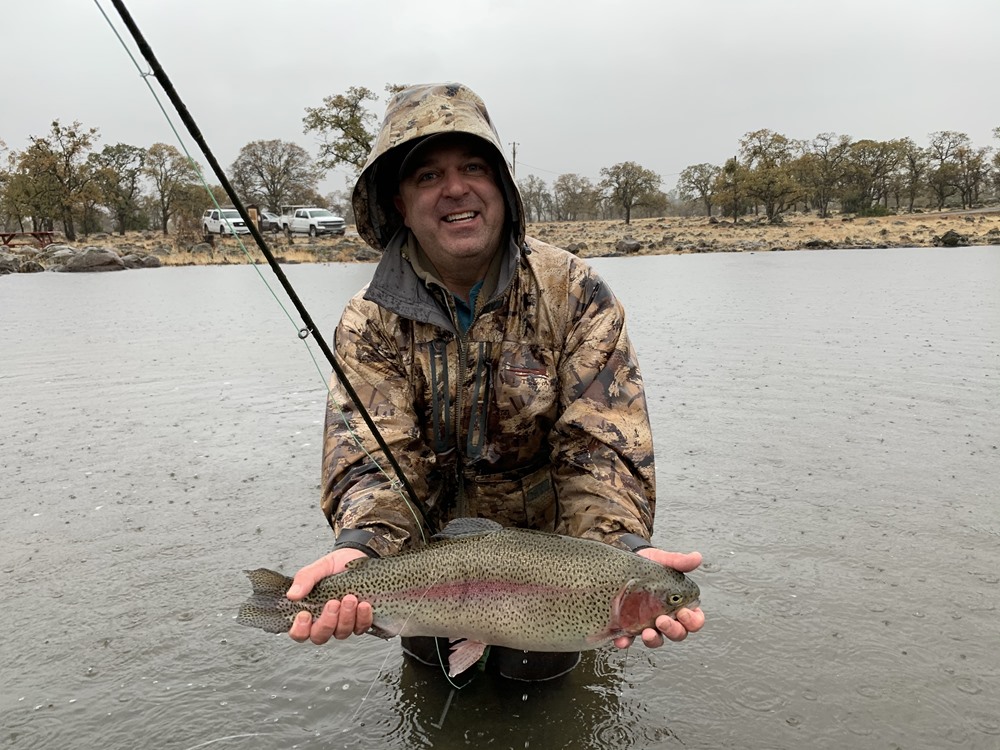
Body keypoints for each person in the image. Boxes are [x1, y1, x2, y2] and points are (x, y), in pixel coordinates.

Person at [285, 82, 704, 679]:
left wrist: (620, 550)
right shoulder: (367, 320)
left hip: (555, 566)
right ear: (399, 203)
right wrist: (360, 549)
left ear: (503, 189)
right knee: (430, 677)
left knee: (547, 688)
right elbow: (375, 461)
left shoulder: (576, 293)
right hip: (427, 563)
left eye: (474, 166)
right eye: (427, 175)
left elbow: (600, 449)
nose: (455, 188)